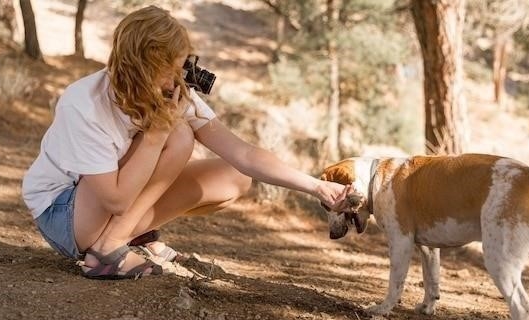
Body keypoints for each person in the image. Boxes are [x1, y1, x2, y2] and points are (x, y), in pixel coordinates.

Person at [21, 5, 348, 280]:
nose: (181, 79)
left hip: (108, 209)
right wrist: (157, 135)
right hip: (64, 214)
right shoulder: (85, 103)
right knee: (177, 134)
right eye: (172, 70)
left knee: (234, 177)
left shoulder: (169, 92)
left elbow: (243, 153)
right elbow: (116, 201)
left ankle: (119, 238)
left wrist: (315, 186)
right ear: (144, 69)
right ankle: (109, 248)